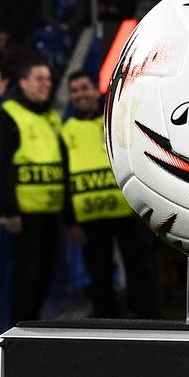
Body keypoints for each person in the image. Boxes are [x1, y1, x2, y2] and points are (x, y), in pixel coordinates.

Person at [59, 71, 160, 319]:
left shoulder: (116, 119)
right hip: (90, 215)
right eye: (74, 90)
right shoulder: (66, 130)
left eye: (84, 88)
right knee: (98, 272)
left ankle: (148, 316)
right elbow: (63, 176)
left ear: (96, 89)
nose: (79, 94)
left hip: (127, 209)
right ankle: (106, 319)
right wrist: (70, 220)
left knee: (139, 267)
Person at [0, 54, 66, 323]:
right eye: (39, 79)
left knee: (44, 275)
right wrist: (9, 210)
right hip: (24, 216)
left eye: (48, 78)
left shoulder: (51, 117)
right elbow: (0, 167)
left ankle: (33, 329)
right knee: (26, 277)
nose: (46, 84)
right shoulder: (9, 115)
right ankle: (19, 333)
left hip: (50, 213)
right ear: (22, 83)